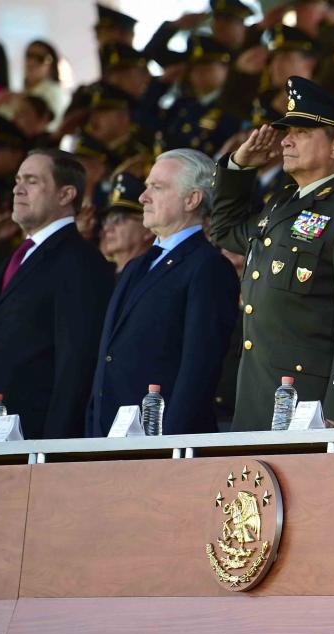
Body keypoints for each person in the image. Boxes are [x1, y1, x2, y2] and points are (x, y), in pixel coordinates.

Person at [210, 76, 334, 430]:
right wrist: (239, 167)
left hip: (310, 408)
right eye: (287, 131)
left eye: (303, 132)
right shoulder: (280, 203)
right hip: (255, 398)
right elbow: (226, 231)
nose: (286, 139)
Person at [86, 149, 239, 437]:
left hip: (161, 443)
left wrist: (169, 443)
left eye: (157, 187)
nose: (143, 197)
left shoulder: (208, 267)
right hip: (108, 439)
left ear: (192, 199)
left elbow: (199, 368)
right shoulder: (136, 266)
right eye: (147, 187)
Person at [0, 149, 114, 440]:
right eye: (18, 179)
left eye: (32, 181)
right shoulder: (18, 257)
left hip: (34, 440)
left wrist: (54, 445)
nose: (17, 188)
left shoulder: (79, 261)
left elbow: (76, 362)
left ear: (66, 195)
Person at [98, 173, 154, 273]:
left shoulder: (153, 276)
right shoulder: (102, 275)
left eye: (118, 219)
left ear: (148, 229)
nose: (107, 228)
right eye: (107, 220)